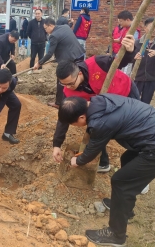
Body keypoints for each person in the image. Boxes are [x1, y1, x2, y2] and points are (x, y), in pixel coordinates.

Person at [57, 94, 155, 246]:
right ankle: (124, 207)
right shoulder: (102, 100)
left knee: (121, 182)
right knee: (127, 160)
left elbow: (93, 149)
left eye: (74, 124)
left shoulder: (100, 122)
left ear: (81, 117)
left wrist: (78, 160)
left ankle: (116, 235)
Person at [52, 38, 139, 174]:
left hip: (125, 94)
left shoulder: (97, 63)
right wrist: (57, 144)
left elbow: (121, 61)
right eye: (63, 84)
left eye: (70, 83)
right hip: (106, 105)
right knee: (96, 127)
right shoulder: (68, 92)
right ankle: (103, 163)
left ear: (79, 73)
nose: (68, 87)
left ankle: (137, 167)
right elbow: (64, 118)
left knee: (132, 131)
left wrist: (130, 51)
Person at [33, 17, 85, 109]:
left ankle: (59, 102)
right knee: (77, 77)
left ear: (51, 26)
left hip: (69, 59)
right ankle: (77, 98)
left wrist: (39, 63)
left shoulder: (54, 35)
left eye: (45, 28)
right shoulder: (65, 27)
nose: (45, 31)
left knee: (61, 79)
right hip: (79, 55)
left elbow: (49, 53)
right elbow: (64, 43)